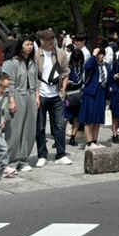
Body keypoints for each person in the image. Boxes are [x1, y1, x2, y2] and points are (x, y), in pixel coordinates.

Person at [34, 29, 72, 166]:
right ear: (41, 41)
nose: (51, 41)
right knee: (40, 127)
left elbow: (66, 71)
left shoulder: (61, 54)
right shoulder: (36, 55)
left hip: (57, 94)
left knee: (59, 126)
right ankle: (42, 154)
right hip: (41, 94)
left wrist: (64, 88)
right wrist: (36, 94)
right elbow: (33, 76)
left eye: (52, 39)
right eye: (48, 39)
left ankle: (61, 154)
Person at [4, 36, 39, 170]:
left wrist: (37, 97)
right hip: (18, 95)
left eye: (31, 44)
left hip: (30, 95)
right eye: (27, 44)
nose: (29, 47)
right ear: (21, 46)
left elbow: (36, 81)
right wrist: (11, 100)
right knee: (15, 129)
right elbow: (10, 83)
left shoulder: (33, 62)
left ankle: (23, 159)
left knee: (29, 129)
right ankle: (12, 160)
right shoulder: (13, 62)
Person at [80, 48, 110, 148]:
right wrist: (93, 55)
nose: (99, 56)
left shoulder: (107, 66)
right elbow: (87, 67)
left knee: (97, 119)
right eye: (98, 54)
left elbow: (108, 81)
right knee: (89, 119)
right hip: (91, 92)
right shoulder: (93, 65)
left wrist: (108, 97)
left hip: (101, 92)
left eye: (101, 54)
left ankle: (94, 140)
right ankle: (89, 143)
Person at [0, 71, 16, 179]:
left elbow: (2, 110)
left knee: (2, 145)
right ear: (0, 82)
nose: (9, 81)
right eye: (7, 79)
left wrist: (2, 120)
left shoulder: (5, 94)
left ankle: (4, 167)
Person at [65, 47, 86, 146]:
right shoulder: (68, 67)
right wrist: (67, 82)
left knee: (76, 117)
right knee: (65, 117)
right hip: (68, 95)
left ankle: (73, 137)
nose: (77, 62)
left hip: (79, 95)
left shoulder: (83, 68)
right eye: (75, 60)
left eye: (79, 60)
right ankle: (59, 138)